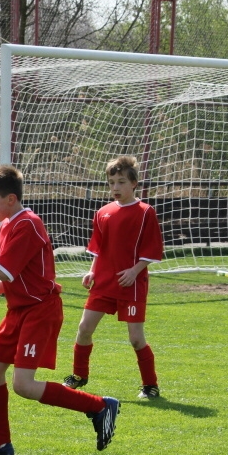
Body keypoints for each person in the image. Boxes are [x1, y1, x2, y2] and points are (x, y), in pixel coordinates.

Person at [0, 164, 120, 455]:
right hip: (19, 310)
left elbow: (4, 271)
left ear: (10, 199)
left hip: (40, 310)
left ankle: (99, 406)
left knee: (23, 385)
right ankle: (0, 444)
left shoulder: (27, 223)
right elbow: (9, 277)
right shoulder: (7, 225)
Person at [62, 156, 164, 400]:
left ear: (134, 184)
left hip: (131, 285)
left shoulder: (145, 213)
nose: (115, 188)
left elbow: (152, 251)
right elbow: (99, 249)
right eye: (111, 183)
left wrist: (134, 270)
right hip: (104, 283)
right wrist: (92, 270)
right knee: (84, 328)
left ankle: (150, 385)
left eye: (121, 182)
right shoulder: (103, 213)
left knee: (136, 339)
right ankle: (78, 375)